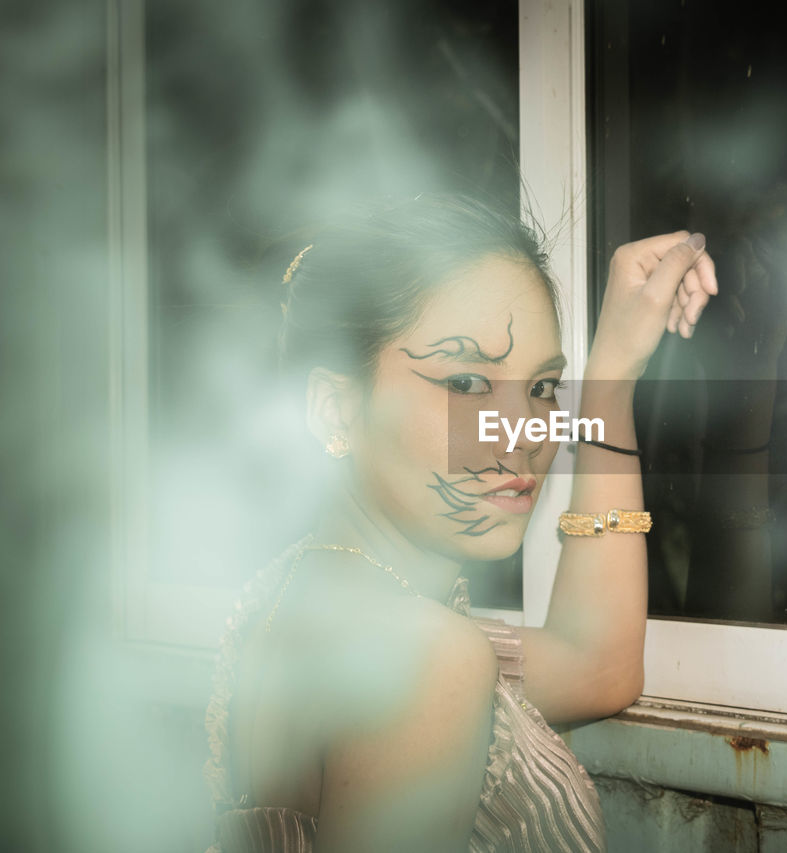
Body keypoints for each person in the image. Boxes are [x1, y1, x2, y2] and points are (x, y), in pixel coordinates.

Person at [203, 195, 717, 851]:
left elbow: (597, 665)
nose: (525, 434)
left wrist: (612, 375)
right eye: (468, 384)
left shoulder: (293, 597)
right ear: (336, 409)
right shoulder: (424, 656)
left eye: (542, 387)